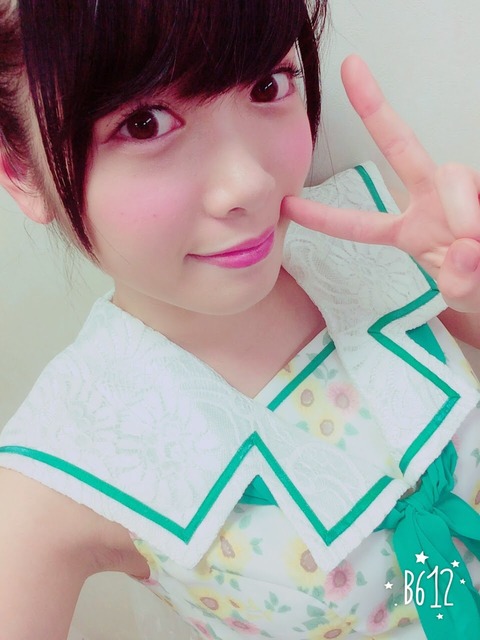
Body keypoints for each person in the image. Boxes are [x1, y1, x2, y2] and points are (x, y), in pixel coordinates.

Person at [0, 1, 479, 639]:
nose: (249, 184)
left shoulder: (380, 233)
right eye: (144, 123)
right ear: (21, 170)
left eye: (267, 85)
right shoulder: (65, 461)